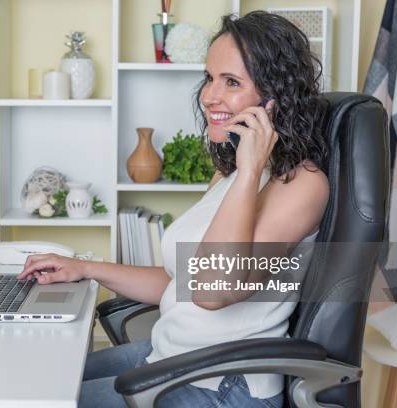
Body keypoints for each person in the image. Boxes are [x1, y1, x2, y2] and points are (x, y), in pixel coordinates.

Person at [17, 11, 329, 408]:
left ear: (275, 98)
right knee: (38, 384)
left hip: (224, 383)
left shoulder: (301, 183)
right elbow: (179, 280)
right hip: (174, 356)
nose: (209, 96)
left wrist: (250, 171)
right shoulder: (231, 175)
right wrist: (83, 267)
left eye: (231, 82)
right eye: (209, 77)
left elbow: (212, 291)